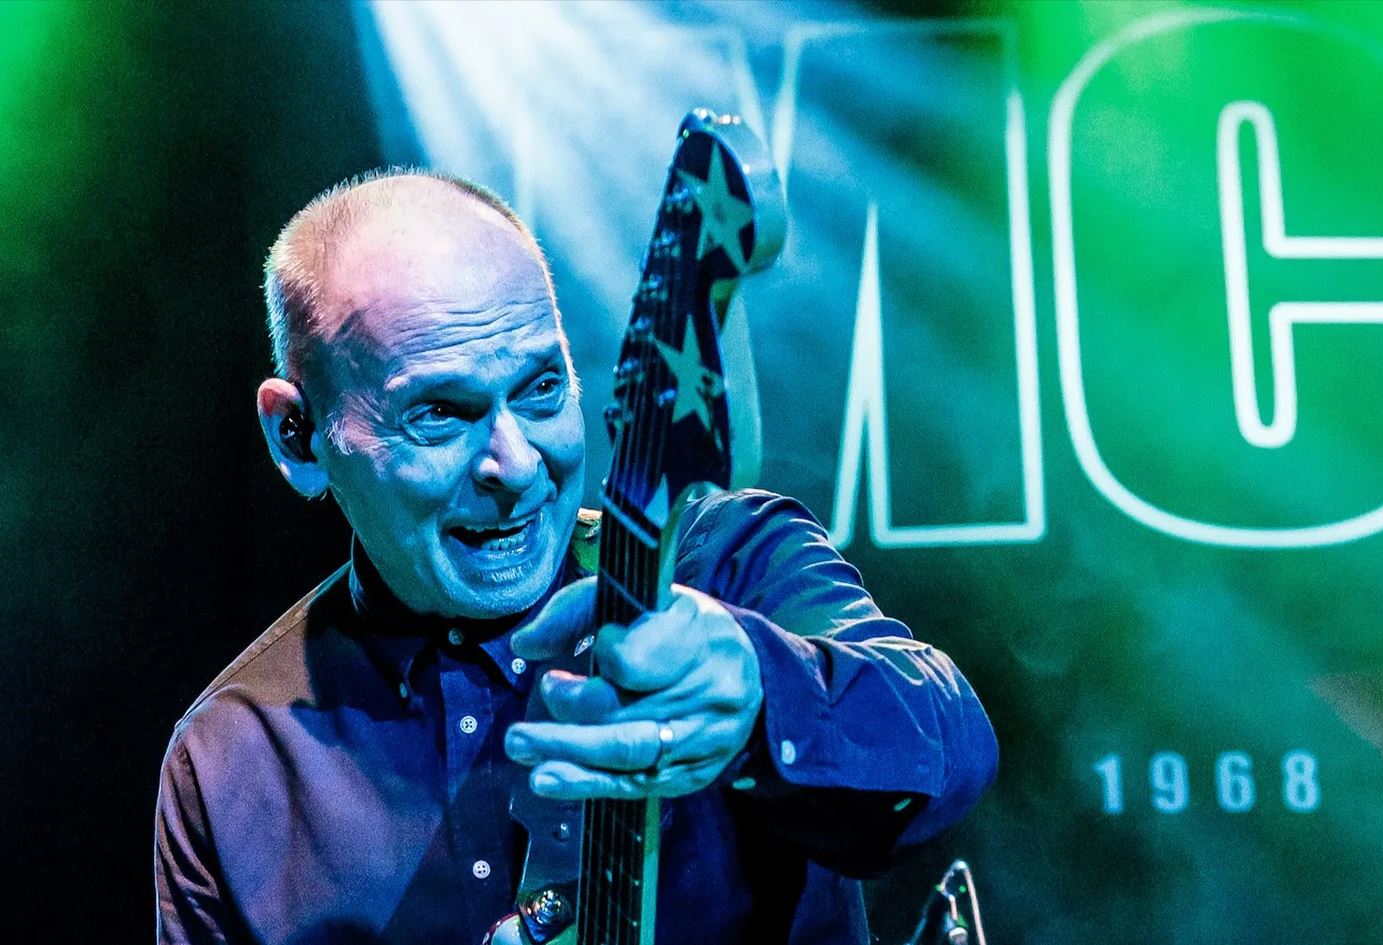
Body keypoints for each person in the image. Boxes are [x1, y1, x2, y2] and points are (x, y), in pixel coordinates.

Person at [154, 169, 999, 945]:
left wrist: (759, 698)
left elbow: (954, 743)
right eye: (441, 414)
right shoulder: (231, 760)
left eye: (541, 387)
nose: (519, 464)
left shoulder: (722, 564)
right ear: (299, 436)